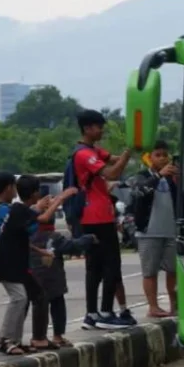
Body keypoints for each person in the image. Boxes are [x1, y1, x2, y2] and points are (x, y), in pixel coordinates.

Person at [0, 175, 67, 355]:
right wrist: (60, 199)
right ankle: (5, 340)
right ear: (8, 188)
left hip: (15, 262)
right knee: (19, 298)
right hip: (7, 263)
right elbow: (44, 217)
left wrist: (41, 252)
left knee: (33, 295)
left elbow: (22, 237)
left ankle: (14, 339)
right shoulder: (15, 210)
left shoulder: (11, 210)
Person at [71, 109, 135, 330]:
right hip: (97, 215)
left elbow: (113, 159)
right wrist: (127, 154)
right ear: (88, 128)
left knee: (95, 267)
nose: (102, 131)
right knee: (111, 265)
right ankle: (106, 312)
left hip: (95, 215)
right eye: (99, 127)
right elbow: (112, 174)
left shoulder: (93, 151)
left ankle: (91, 314)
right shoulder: (83, 154)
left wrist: (131, 150)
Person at [29, 190, 90, 350]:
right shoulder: (54, 237)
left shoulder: (30, 237)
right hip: (54, 281)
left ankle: (38, 336)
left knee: (38, 308)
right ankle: (57, 335)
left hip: (34, 280)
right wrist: (88, 239)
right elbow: (71, 246)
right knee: (57, 306)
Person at [129, 140, 180, 318]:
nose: (162, 159)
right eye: (158, 155)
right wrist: (158, 176)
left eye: (165, 155)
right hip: (149, 231)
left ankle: (175, 306)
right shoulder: (142, 176)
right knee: (150, 271)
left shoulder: (173, 178)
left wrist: (177, 180)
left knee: (173, 270)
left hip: (171, 231)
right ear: (149, 158)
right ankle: (153, 307)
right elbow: (140, 192)